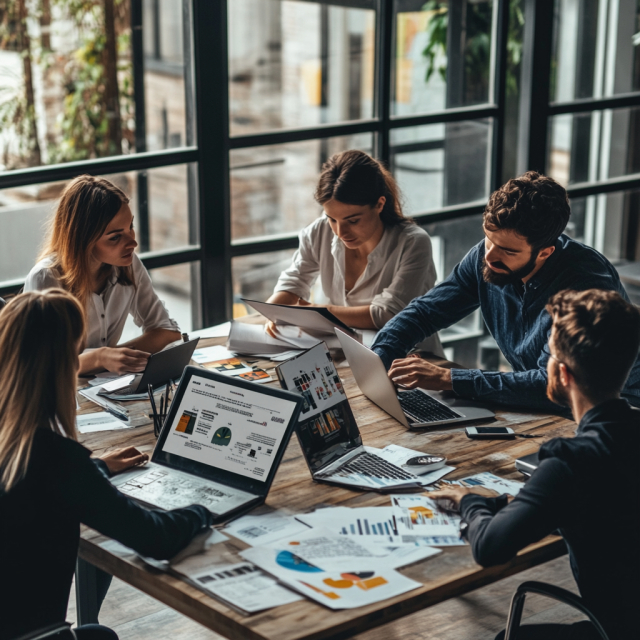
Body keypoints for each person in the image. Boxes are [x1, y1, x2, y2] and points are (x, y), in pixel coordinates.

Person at [0, 290, 214, 640]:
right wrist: (204, 509)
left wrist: (94, 470)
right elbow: (155, 538)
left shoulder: (30, 452)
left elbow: (31, 490)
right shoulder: (57, 458)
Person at [430, 289, 640, 640]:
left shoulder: (569, 463)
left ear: (561, 372)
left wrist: (470, 502)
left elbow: (489, 548)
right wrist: (512, 506)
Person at [373, 171, 640, 410]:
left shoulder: (585, 286)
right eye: (489, 239)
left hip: (617, 414)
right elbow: (426, 312)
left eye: (508, 250)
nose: (490, 256)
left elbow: (553, 384)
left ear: (545, 252)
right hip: (541, 408)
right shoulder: (487, 256)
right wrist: (379, 359)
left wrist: (449, 379)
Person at [266, 149, 443, 355]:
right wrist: (274, 313)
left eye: (353, 221)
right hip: (351, 355)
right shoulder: (320, 230)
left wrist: (318, 313)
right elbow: (294, 282)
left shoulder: (413, 243)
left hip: (411, 360)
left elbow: (388, 314)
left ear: (379, 204)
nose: (340, 232)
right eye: (332, 219)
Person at [24, 175, 181, 376]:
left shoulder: (129, 265)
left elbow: (167, 334)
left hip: (103, 389)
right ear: (83, 240)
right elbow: (43, 365)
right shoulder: (46, 278)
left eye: (130, 227)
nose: (133, 243)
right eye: (115, 237)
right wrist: (101, 358)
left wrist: (110, 356)